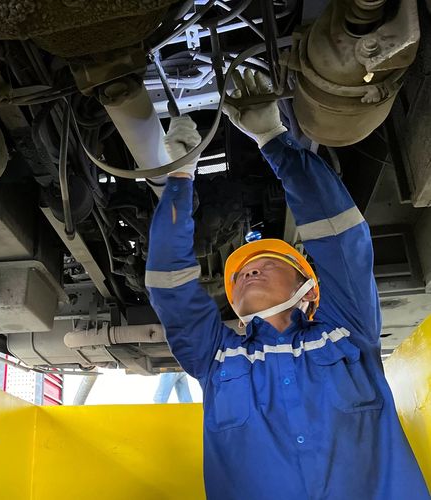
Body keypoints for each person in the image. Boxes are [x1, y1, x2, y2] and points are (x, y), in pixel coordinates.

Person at [145, 70, 430, 499]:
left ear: (309, 288)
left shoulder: (347, 330)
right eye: (240, 273)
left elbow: (340, 237)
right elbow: (169, 284)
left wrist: (274, 140)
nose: (248, 271)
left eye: (268, 263)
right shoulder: (214, 356)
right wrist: (179, 179)